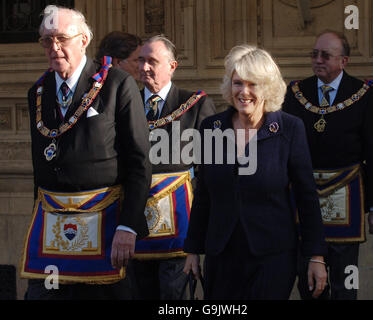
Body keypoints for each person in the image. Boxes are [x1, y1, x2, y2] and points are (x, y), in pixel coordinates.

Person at [20, 5, 152, 300]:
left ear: (83, 39)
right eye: (46, 41)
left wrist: (129, 225)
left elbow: (139, 161)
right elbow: (40, 164)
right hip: (52, 227)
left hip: (105, 225)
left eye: (61, 39)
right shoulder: (38, 92)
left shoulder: (117, 84)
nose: (54, 48)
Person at [183, 45, 328, 300]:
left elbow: (307, 196)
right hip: (222, 255)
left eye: (253, 84)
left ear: (268, 87)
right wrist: (193, 250)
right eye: (238, 83)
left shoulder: (289, 129)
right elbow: (204, 194)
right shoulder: (211, 128)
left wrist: (316, 256)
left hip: (273, 256)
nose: (244, 92)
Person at [282, 30, 373, 300]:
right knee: (307, 279)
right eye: (314, 54)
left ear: (344, 61)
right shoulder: (295, 93)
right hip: (304, 199)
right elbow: (282, 150)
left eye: (325, 55)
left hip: (348, 198)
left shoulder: (366, 95)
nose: (318, 60)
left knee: (346, 281)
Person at [132, 34, 216, 300]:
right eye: (141, 61)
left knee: (174, 297)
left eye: (152, 61)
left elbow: (210, 170)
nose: (145, 67)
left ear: (172, 66)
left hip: (180, 229)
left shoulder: (196, 104)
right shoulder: (125, 103)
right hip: (134, 227)